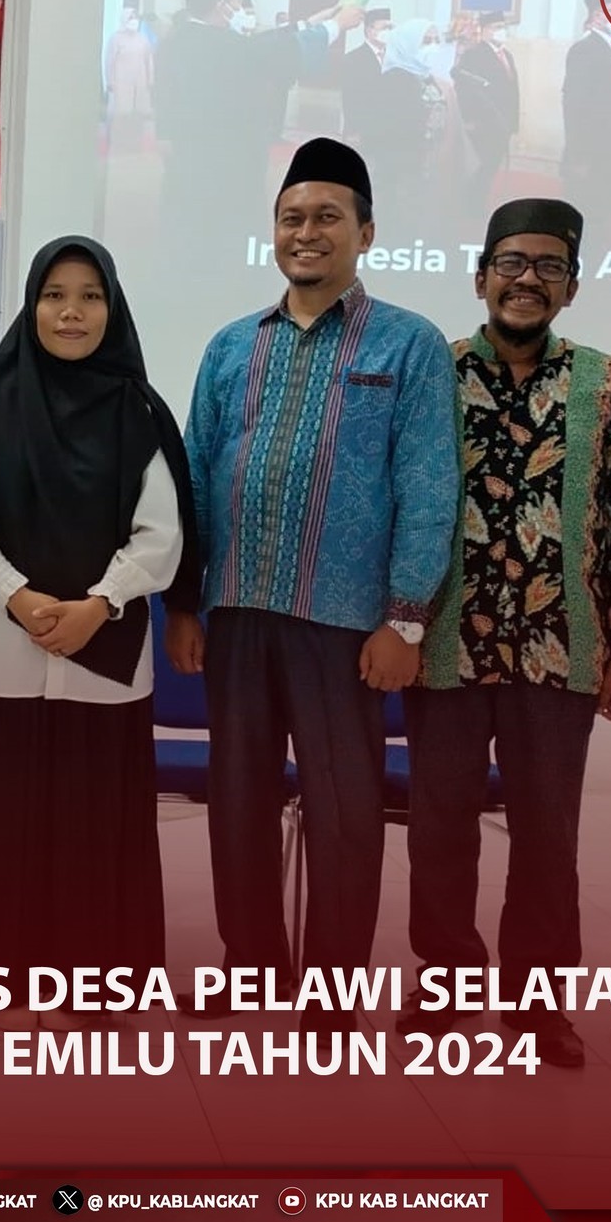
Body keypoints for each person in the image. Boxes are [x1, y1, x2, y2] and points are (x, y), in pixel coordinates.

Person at [170, 138, 459, 1025]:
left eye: (327, 216)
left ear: (365, 232)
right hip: (237, 611)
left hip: (345, 624)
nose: (307, 232)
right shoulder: (232, 346)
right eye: (292, 217)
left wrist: (405, 620)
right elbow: (194, 475)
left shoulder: (409, 345)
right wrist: (184, 601)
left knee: (343, 810)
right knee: (239, 801)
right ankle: (250, 965)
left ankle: (333, 991)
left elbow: (429, 488)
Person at [0, 236, 198, 1022]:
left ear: (113, 308)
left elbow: (162, 537)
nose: (72, 312)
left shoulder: (140, 411)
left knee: (90, 821)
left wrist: (98, 604)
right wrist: (18, 595)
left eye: (90, 296)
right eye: (55, 295)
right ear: (31, 303)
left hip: (104, 649)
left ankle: (94, 980)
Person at [400, 199, 611, 1067]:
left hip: (564, 644)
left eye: (550, 266)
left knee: (548, 834)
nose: (527, 280)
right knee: (440, 827)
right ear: (481, 276)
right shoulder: (431, 373)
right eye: (511, 263)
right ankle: (447, 980)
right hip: (444, 643)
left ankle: (538, 1004)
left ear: (572, 287)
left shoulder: (609, 384)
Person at [155, 0, 361, 327]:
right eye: (236, 3)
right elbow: (270, 55)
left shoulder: (186, 38)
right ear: (221, 5)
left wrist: (308, 22)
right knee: (217, 244)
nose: (240, 9)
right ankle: (209, 309)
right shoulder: (216, 45)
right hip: (220, 168)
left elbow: (258, 46)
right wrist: (335, 27)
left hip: (194, 166)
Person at [369, 17, 461, 239]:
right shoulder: (394, 78)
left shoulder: (428, 78)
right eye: (426, 41)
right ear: (407, 44)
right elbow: (391, 126)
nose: (433, 46)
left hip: (429, 159)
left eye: (436, 40)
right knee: (401, 214)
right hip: (403, 162)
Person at [561, 0, 611, 232]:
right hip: (593, 149)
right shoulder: (585, 49)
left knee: (605, 210)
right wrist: (579, 152)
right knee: (586, 214)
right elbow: (574, 104)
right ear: (598, 15)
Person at [454, 10, 521, 212]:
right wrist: (469, 119)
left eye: (503, 27)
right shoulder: (474, 54)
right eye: (497, 28)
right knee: (481, 165)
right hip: (482, 123)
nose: (502, 31)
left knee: (492, 166)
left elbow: (512, 90)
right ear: (484, 30)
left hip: (502, 122)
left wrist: (513, 122)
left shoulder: (507, 55)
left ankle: (478, 202)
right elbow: (464, 89)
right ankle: (471, 205)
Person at [104, 8, 155, 154]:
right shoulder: (116, 39)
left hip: (140, 82)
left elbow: (149, 61)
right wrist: (110, 81)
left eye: (136, 18)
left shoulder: (142, 39)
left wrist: (150, 80)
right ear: (125, 20)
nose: (134, 21)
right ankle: (117, 142)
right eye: (131, 18)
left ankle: (135, 142)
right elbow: (109, 62)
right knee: (121, 113)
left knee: (139, 114)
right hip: (121, 83)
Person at [339, 7, 392, 143]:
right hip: (362, 130)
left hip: (386, 129)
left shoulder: (393, 58)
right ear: (369, 30)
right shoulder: (353, 59)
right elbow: (350, 99)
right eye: (385, 28)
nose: (389, 32)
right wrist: (354, 130)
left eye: (390, 28)